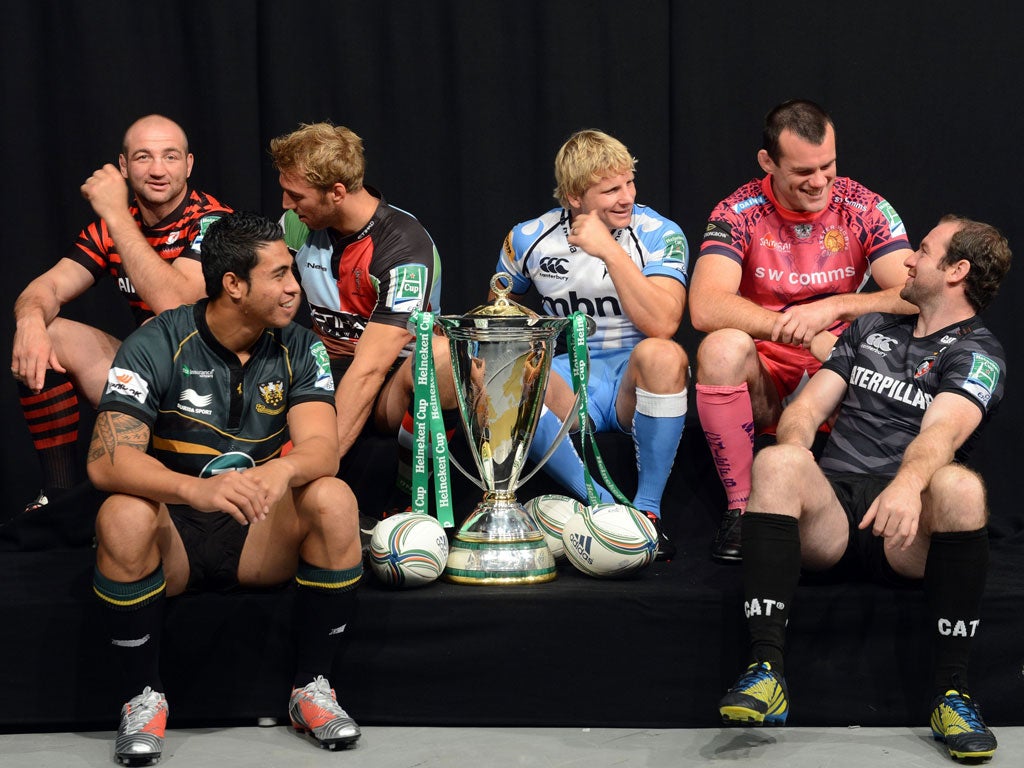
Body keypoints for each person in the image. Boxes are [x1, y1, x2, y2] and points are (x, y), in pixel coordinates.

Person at [718, 216, 1011, 762]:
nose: (908, 260)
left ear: (957, 271)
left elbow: (942, 431)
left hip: (905, 528)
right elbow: (808, 407)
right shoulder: (872, 328)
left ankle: (952, 693)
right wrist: (797, 447)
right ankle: (765, 671)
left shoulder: (978, 353)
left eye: (923, 251)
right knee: (780, 458)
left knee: (960, 487)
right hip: (835, 514)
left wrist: (905, 485)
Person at [87, 211, 363, 764]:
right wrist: (195, 492)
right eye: (280, 275)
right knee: (122, 513)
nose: (295, 287)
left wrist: (280, 471)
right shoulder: (158, 340)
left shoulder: (299, 347)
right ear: (233, 285)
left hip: (257, 531)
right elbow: (107, 459)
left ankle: (312, 689)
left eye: (293, 273)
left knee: (334, 497)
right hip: (178, 538)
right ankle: (140, 698)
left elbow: (321, 449)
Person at [690, 100, 916, 563]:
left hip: (842, 359)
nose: (819, 182)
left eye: (828, 166)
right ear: (767, 163)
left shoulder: (864, 205)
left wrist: (833, 307)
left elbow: (915, 295)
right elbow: (704, 305)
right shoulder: (738, 210)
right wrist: (791, 327)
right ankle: (741, 509)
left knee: (901, 351)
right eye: (803, 171)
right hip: (770, 368)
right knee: (719, 348)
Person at [11, 114, 230, 513]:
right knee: (46, 333)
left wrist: (115, 215)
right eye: (144, 157)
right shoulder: (112, 227)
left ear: (189, 164)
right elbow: (47, 287)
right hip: (150, 376)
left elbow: (176, 305)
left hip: (215, 392)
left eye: (171, 157)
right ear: (125, 166)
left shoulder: (214, 222)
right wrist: (28, 322)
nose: (159, 170)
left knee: (156, 327)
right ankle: (58, 499)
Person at [497, 129, 690, 560]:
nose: (627, 197)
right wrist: (528, 323)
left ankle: (648, 512)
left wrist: (609, 251)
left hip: (630, 385)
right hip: (571, 383)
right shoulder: (529, 237)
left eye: (629, 183)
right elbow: (499, 307)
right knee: (510, 363)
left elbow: (664, 323)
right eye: (610, 190)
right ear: (573, 197)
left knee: (664, 354)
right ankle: (604, 508)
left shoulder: (660, 231)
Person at [269, 122, 454, 515]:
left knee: (443, 360)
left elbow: (370, 369)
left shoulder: (403, 245)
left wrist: (307, 469)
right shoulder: (297, 225)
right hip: (324, 367)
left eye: (295, 195)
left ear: (336, 192)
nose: (285, 203)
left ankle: (407, 505)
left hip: (391, 381)